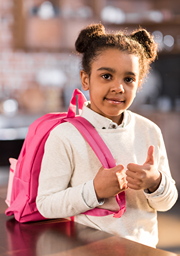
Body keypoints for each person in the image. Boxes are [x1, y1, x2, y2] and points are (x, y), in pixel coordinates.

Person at [36, 24, 178, 247]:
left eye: (129, 79)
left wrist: (155, 182)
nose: (118, 87)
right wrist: (95, 190)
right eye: (106, 76)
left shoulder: (149, 130)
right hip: (88, 250)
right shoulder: (65, 136)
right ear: (85, 79)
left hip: (144, 251)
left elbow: (167, 203)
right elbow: (46, 204)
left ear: (139, 83)